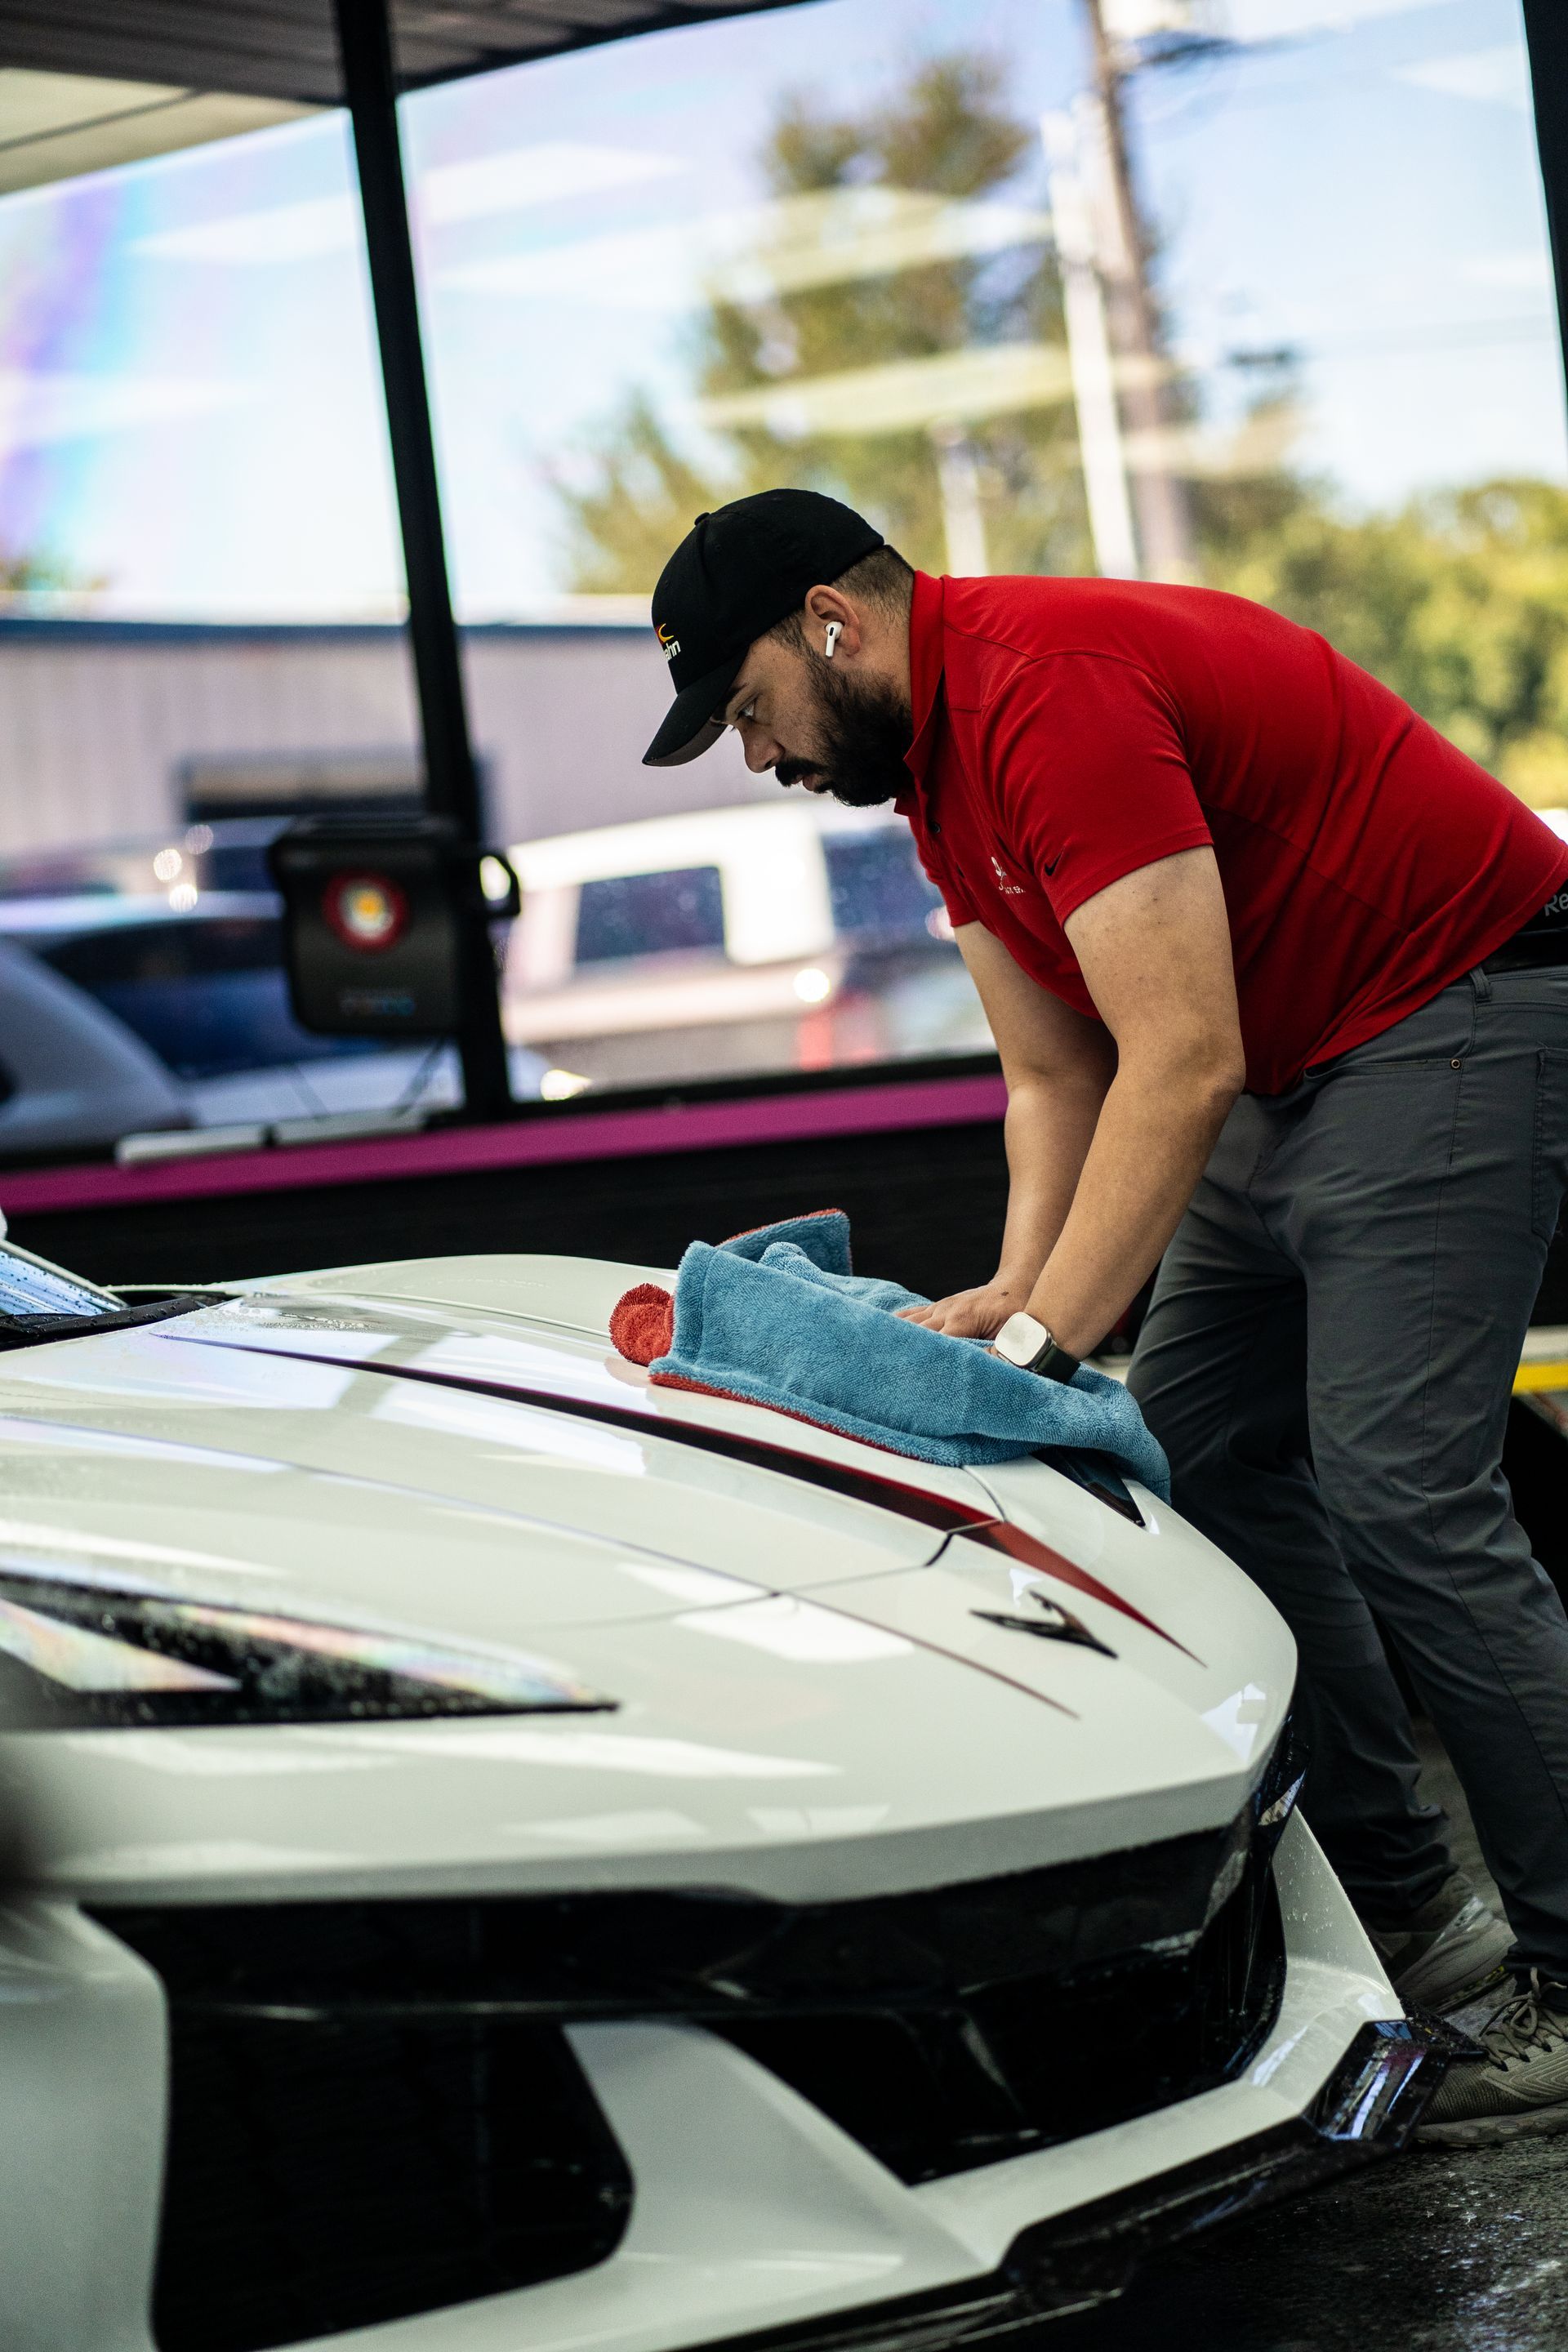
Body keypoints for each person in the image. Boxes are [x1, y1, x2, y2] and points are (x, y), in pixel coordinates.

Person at [641, 486, 1568, 2143]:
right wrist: (1017, 1292)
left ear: (831, 624)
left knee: (1404, 1488)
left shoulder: (1045, 686)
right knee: (1194, 1458)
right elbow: (1055, 1069)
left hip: (1453, 1004)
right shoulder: (932, 780)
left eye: (748, 706)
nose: (757, 754)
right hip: (1295, 1064)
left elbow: (1181, 1052)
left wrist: (1042, 1350)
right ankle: (1434, 1925)